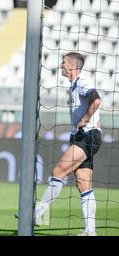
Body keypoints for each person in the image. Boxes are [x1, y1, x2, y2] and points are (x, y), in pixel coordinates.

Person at [34, 52, 101, 236]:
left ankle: (38, 214)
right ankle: (90, 232)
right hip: (83, 136)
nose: (61, 65)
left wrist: (86, 119)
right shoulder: (73, 86)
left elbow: (96, 99)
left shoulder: (81, 81)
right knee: (83, 183)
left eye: (63, 62)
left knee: (58, 171)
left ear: (72, 66)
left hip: (87, 135)